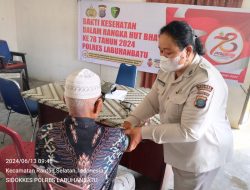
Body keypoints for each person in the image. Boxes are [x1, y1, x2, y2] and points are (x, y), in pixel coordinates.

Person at [123, 20, 233, 190]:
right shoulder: (170, 68)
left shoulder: (205, 81)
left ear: (188, 50)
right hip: (182, 147)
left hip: (201, 153)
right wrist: (132, 120)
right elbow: (153, 100)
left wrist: (142, 132)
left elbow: (190, 130)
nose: (163, 57)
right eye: (160, 50)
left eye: (167, 52)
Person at [35, 69, 135, 190]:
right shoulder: (116, 137)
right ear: (99, 104)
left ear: (64, 100)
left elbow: (39, 169)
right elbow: (132, 141)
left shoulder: (44, 132)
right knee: (129, 178)